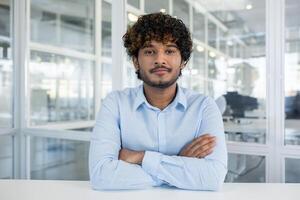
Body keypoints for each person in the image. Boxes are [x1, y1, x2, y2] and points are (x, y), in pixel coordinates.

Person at [89, 12, 227, 190]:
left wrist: (141, 158)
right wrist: (180, 163)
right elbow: (102, 175)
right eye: (149, 51)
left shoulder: (203, 107)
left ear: (183, 61)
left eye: (169, 51)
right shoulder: (115, 103)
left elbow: (212, 178)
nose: (159, 60)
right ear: (136, 61)